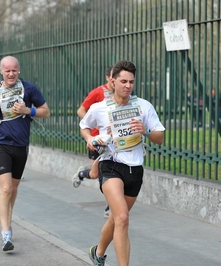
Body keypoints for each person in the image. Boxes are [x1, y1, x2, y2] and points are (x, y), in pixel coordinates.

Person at [79, 60, 165, 266]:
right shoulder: (100, 108)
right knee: (123, 218)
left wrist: (144, 131)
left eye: (131, 82)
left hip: (135, 169)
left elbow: (160, 137)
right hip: (111, 164)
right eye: (123, 81)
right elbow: (84, 125)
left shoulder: (143, 106)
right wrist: (90, 139)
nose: (128, 86)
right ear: (112, 81)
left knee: (116, 219)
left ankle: (98, 253)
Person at [0, 56, 50, 252]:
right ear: (1, 71)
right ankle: (5, 234)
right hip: (1, 143)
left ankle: (7, 220)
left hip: (21, 145)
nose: (11, 74)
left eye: (14, 70)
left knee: (13, 187)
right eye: (7, 70)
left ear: (19, 70)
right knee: (5, 188)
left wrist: (29, 110)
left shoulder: (29, 88)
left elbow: (46, 111)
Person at [74, 65, 113, 218]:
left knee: (111, 173)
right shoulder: (98, 92)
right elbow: (81, 110)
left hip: (114, 142)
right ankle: (82, 174)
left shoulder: (122, 93)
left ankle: (110, 206)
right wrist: (93, 123)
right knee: (95, 174)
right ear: (108, 78)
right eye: (111, 78)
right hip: (97, 140)